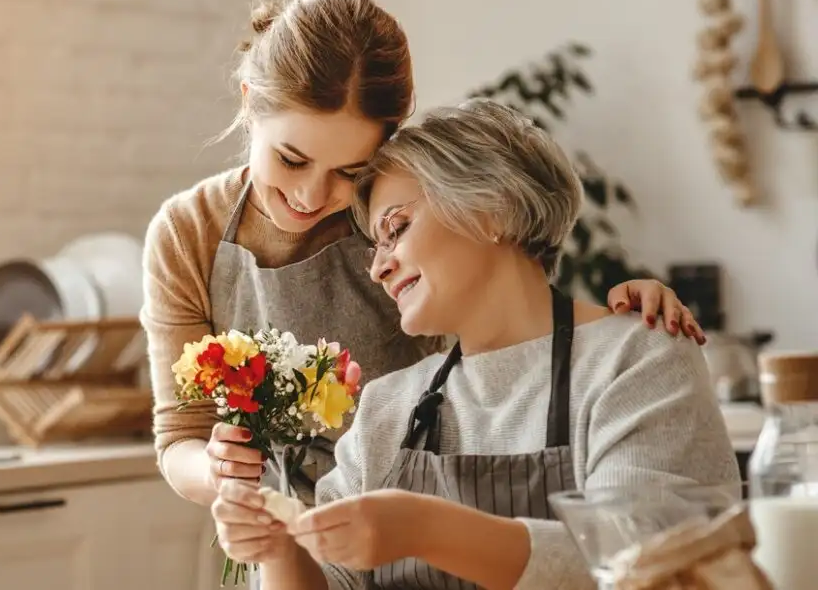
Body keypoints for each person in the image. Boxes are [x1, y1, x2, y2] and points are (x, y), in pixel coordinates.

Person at [141, 0, 707, 509]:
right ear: (249, 104)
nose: (311, 195)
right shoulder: (188, 234)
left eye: (350, 171)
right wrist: (220, 471)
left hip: (416, 515)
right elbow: (180, 435)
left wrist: (613, 323)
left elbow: (508, 320)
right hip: (278, 529)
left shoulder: (395, 207)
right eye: (291, 159)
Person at [209, 99, 741, 590]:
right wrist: (277, 549)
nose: (378, 268)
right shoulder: (388, 407)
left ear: (492, 208)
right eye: (375, 245)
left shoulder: (636, 359)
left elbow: (653, 562)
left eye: (397, 227)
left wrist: (426, 528)